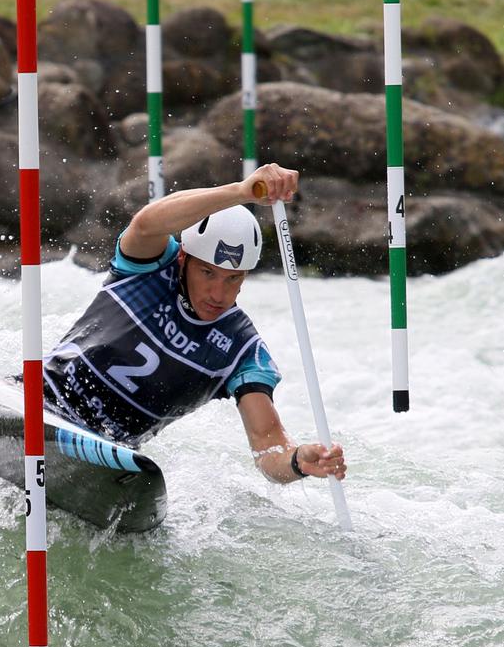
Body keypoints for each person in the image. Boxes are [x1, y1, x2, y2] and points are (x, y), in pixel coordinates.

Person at [42, 163, 346, 484]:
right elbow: (146, 223)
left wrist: (298, 461)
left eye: (233, 279)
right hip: (41, 402)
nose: (219, 293)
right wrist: (243, 192)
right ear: (184, 259)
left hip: (104, 453)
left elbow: (268, 445)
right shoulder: (148, 270)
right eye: (208, 273)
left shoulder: (242, 350)